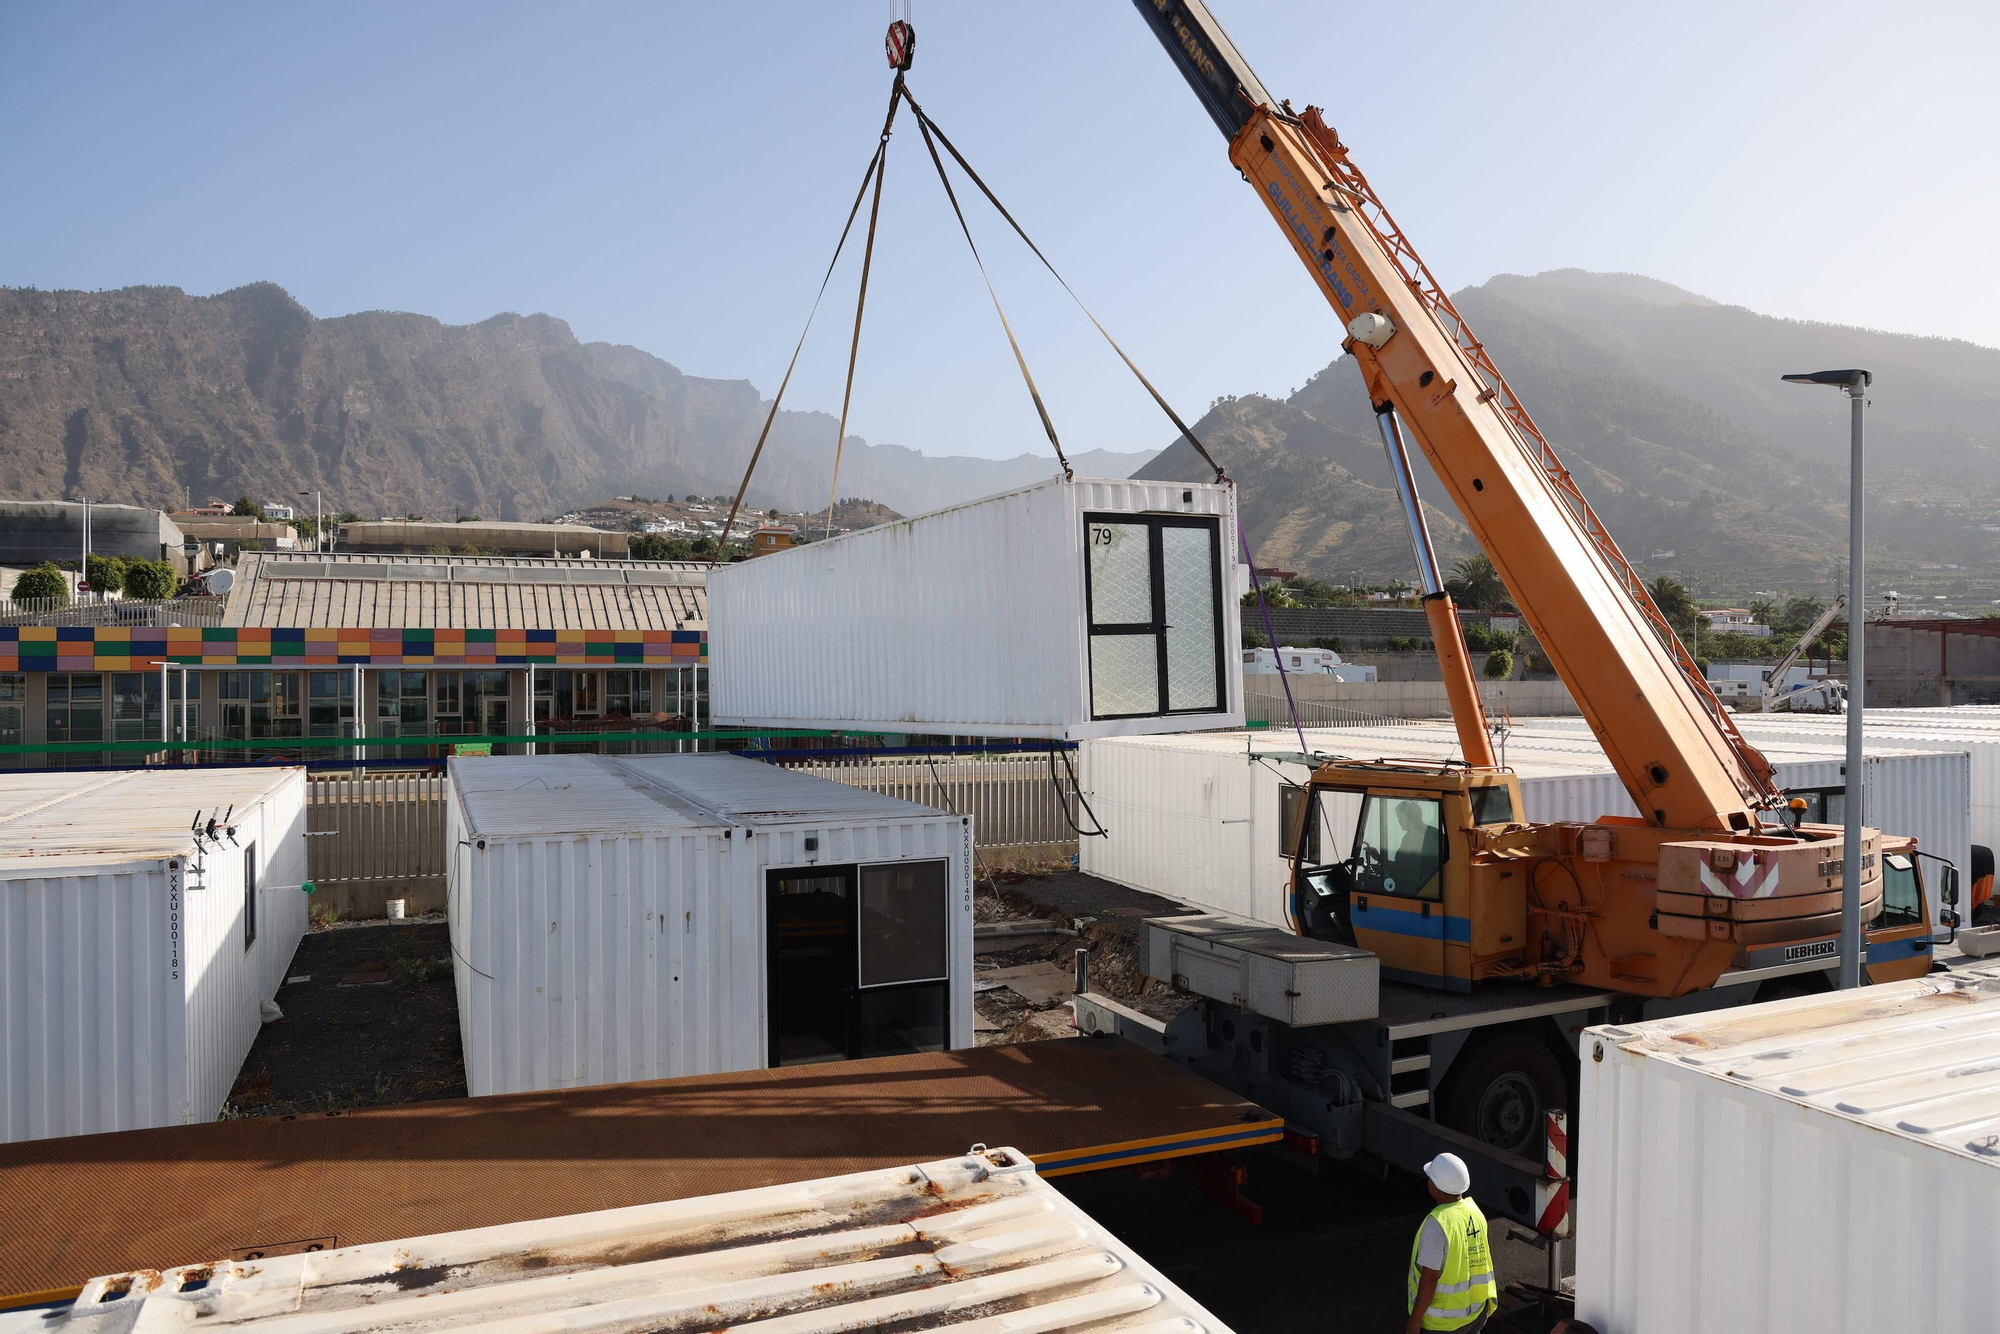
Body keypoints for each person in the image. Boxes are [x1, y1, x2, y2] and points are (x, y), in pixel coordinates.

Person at [1406, 1152, 1498, 1333]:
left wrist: (1415, 1319)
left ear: (1436, 1188)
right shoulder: (1475, 1212)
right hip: (1475, 1313)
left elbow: (1430, 1278)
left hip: (1444, 1323)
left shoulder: (1437, 1224)